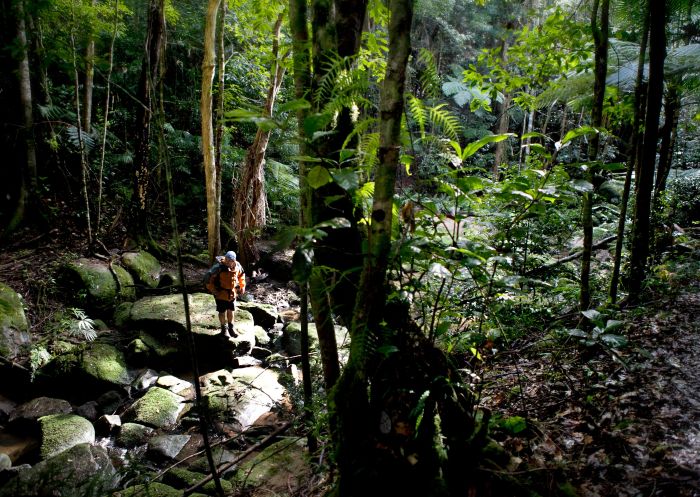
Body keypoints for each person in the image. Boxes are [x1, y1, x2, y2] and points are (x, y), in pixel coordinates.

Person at [205, 250, 246, 338]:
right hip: (221, 293)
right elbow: (208, 279)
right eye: (226, 260)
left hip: (232, 293)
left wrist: (242, 286)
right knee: (222, 312)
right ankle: (224, 330)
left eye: (230, 261)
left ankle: (231, 328)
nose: (227, 262)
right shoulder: (219, 267)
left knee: (231, 310)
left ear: (234, 261)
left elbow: (241, 275)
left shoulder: (237, 266)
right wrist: (213, 289)